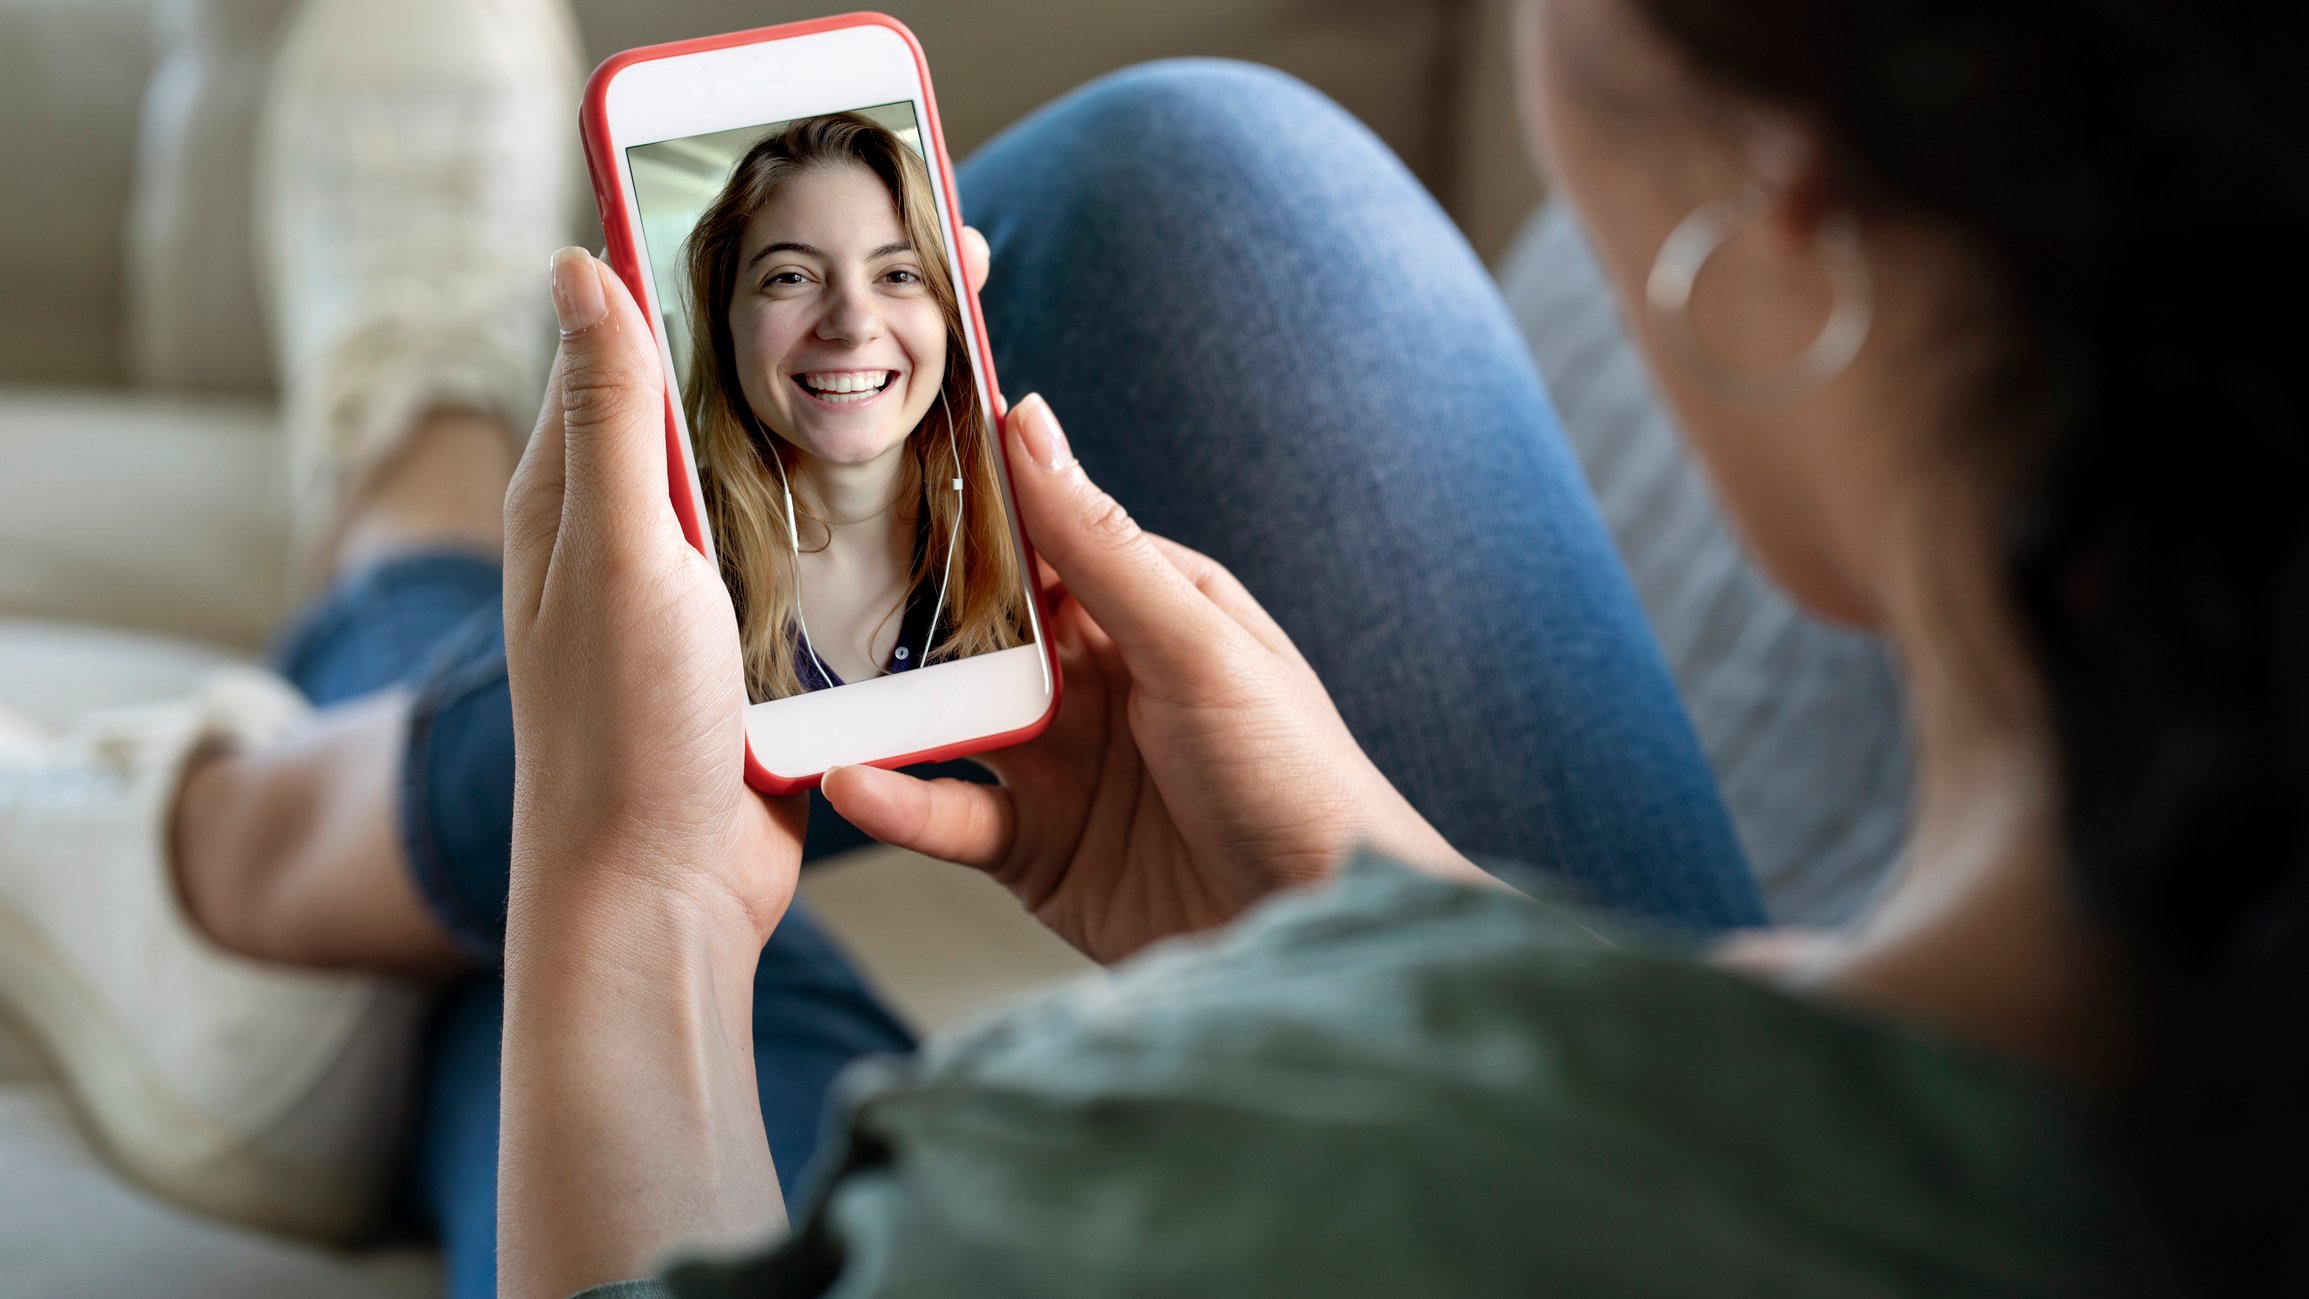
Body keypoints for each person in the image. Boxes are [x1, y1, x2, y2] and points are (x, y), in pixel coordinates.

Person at [3, 0, 2295, 1297]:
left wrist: (630, 907)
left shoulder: (1180, 1181)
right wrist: (1397, 923)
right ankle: (370, 619)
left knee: (585, 911)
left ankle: (346, 640)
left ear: (1782, 223)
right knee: (1202, 209)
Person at [681, 113, 1029, 699]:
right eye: (791, 277)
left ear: (949, 316)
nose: (851, 325)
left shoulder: (1033, 541)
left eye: (898, 273)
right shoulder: (671, 563)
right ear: (725, 325)